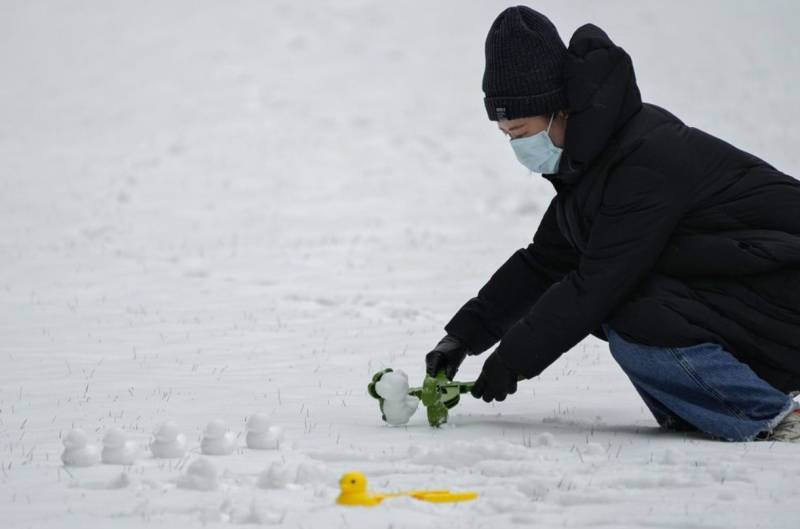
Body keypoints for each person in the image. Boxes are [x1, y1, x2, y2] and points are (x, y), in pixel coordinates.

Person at [425, 6, 800, 442]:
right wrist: (462, 338)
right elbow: (545, 263)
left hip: (785, 292)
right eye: (507, 134)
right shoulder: (591, 165)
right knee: (615, 304)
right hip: (754, 297)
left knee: (624, 306)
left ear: (559, 111)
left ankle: (767, 414)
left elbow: (599, 282)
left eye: (521, 131)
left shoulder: (645, 159)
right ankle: (705, 407)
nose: (517, 146)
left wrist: (512, 362)